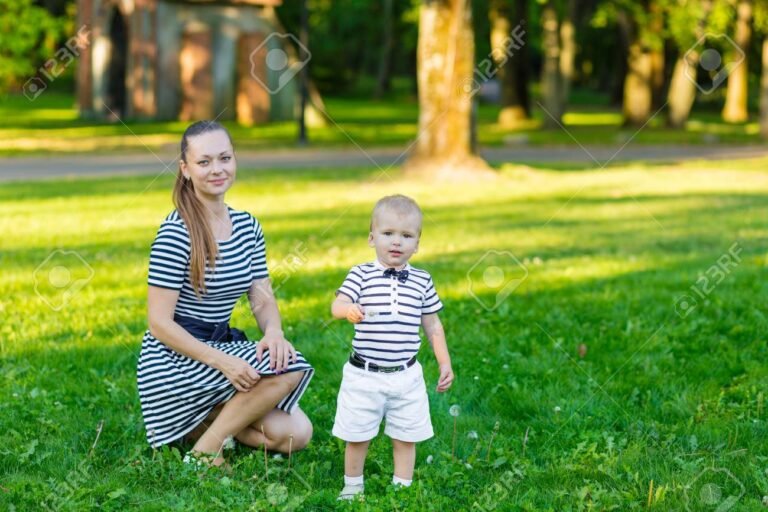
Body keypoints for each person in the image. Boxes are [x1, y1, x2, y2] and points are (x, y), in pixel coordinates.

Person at [136, 120, 314, 467]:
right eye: (204, 162)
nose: (217, 169)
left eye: (224, 158)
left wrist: (274, 332)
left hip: (221, 348)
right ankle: (206, 450)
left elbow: (261, 296)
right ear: (185, 170)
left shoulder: (248, 225)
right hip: (175, 359)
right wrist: (225, 362)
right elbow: (159, 324)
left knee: (296, 434)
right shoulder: (177, 233)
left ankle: (202, 424)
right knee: (290, 369)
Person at [330, 194, 454, 499]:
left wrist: (444, 363)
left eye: (406, 236)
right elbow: (338, 303)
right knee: (357, 435)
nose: (396, 242)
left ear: (417, 244)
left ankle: (402, 490)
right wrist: (347, 310)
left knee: (405, 435)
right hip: (365, 374)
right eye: (388, 234)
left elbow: (433, 325)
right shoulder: (361, 274)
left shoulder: (422, 280)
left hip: (406, 375)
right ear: (372, 238)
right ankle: (352, 487)